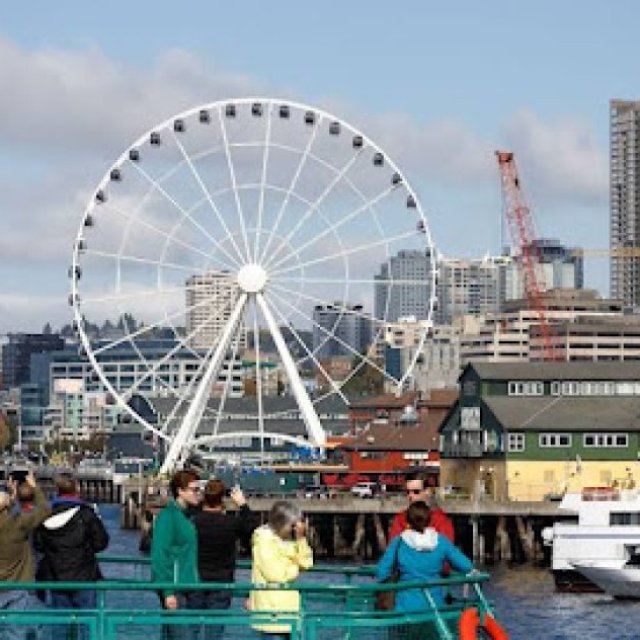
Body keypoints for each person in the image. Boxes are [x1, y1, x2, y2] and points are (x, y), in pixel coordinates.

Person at [35, 473, 109, 639]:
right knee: (87, 625)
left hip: (56, 577)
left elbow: (38, 544)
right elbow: (101, 542)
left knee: (60, 626)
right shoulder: (86, 514)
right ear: (76, 488)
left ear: (57, 489)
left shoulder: (45, 514)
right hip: (84, 577)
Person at [376, 501, 473, 613]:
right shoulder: (440, 540)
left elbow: (382, 572)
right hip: (435, 608)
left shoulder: (399, 542)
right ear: (429, 520)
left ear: (408, 521)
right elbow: (466, 566)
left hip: (405, 608)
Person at [189, 480, 257, 640]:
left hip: (194, 580)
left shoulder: (194, 522)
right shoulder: (230, 523)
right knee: (214, 631)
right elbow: (252, 526)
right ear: (222, 499)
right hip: (222, 581)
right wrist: (242, 504)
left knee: (190, 629)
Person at [250, 500, 313, 639]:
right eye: (292, 525)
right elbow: (276, 575)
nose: (294, 528)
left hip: (290, 610)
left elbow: (307, 563)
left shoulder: (289, 541)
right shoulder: (263, 542)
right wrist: (295, 568)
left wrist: (301, 539)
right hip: (272, 613)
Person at [151, 469, 201, 640]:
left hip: (188, 585)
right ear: (180, 490)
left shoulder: (188, 516)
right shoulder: (168, 516)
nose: (198, 494)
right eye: (194, 490)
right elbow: (159, 554)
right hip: (175, 587)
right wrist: (167, 591)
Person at [0, 471, 50, 640]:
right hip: (17, 586)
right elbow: (44, 510)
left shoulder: (13, 521)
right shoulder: (17, 524)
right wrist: (35, 488)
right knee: (16, 632)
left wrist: (11, 497)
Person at [388, 472, 454, 543]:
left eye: (416, 492)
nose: (410, 496)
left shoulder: (441, 521)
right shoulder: (400, 519)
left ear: (428, 491)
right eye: (407, 492)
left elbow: (445, 550)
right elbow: (393, 547)